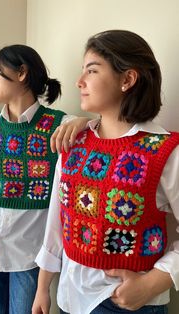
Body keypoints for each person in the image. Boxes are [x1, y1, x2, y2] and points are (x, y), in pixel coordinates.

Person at [32, 30, 179, 314]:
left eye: (92, 70)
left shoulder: (164, 151)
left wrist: (152, 285)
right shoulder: (74, 141)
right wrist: (42, 287)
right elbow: (56, 219)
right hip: (69, 295)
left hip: (128, 302)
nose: (79, 82)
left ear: (127, 79)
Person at [0, 44, 89, 314]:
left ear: (22, 73)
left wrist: (83, 121)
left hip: (30, 248)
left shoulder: (58, 125)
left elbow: (102, 127)